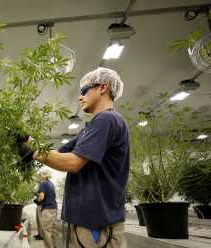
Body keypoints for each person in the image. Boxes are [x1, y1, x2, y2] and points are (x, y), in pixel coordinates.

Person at [17, 67, 129, 248]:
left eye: (84, 90)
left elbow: (73, 162)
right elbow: (58, 154)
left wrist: (33, 153)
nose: (80, 97)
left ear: (103, 88)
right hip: (85, 221)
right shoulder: (90, 128)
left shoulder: (107, 120)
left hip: (96, 225)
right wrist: (28, 140)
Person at [35, 168, 61, 248]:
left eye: (39, 175)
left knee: (46, 231)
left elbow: (41, 197)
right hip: (54, 208)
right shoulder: (51, 184)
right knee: (53, 230)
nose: (39, 177)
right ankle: (55, 246)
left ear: (42, 175)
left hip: (47, 209)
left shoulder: (43, 184)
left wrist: (37, 199)